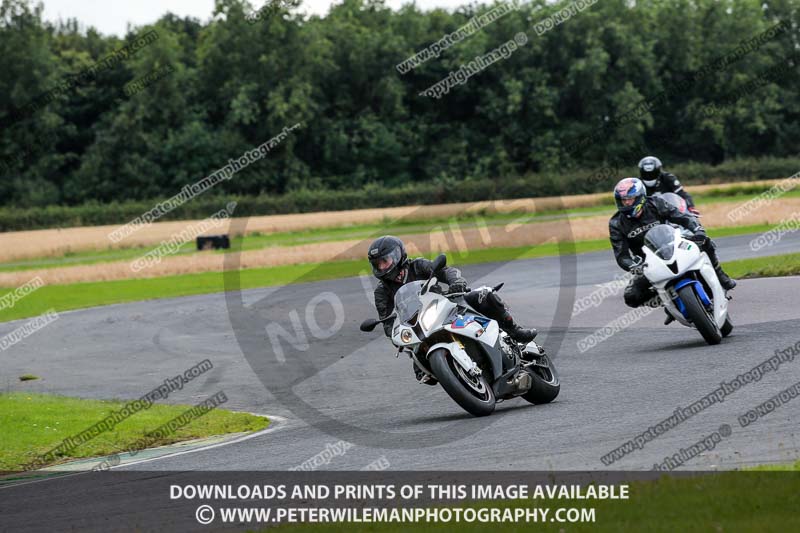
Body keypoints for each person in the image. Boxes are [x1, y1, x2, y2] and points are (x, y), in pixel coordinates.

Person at [368, 235, 537, 384]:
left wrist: (456, 282)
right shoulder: (381, 292)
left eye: (385, 261)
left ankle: (514, 331)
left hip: (446, 306)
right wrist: (397, 334)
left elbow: (446, 271)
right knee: (418, 360)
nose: (382, 267)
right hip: (419, 327)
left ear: (398, 255)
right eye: (378, 264)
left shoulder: (417, 266)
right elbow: (387, 322)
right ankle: (448, 371)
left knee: (485, 295)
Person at [609, 178, 736, 313]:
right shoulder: (616, 223)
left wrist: (698, 230)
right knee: (631, 297)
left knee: (705, 242)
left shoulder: (655, 203)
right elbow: (621, 255)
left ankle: (722, 277)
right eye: (623, 200)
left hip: (674, 246)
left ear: (640, 197)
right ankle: (666, 300)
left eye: (630, 199)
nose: (627, 203)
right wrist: (634, 266)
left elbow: (682, 217)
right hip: (649, 264)